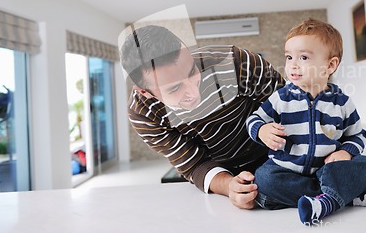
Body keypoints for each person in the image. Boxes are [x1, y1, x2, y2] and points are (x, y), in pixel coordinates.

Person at [119, 24, 285, 209]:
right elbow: (194, 164)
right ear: (145, 92)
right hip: (224, 169)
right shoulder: (144, 114)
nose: (193, 90)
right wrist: (230, 186)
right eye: (175, 88)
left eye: (192, 71)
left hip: (276, 151)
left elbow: (291, 109)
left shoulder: (235, 61)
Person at [245, 19, 366, 225]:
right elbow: (253, 119)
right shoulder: (281, 98)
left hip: (327, 171)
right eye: (289, 57)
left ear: (330, 65)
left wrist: (345, 152)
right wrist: (262, 130)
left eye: (304, 57)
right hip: (287, 171)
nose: (293, 65)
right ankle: (339, 197)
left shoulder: (341, 102)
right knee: (264, 178)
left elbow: (357, 135)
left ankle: (325, 200)